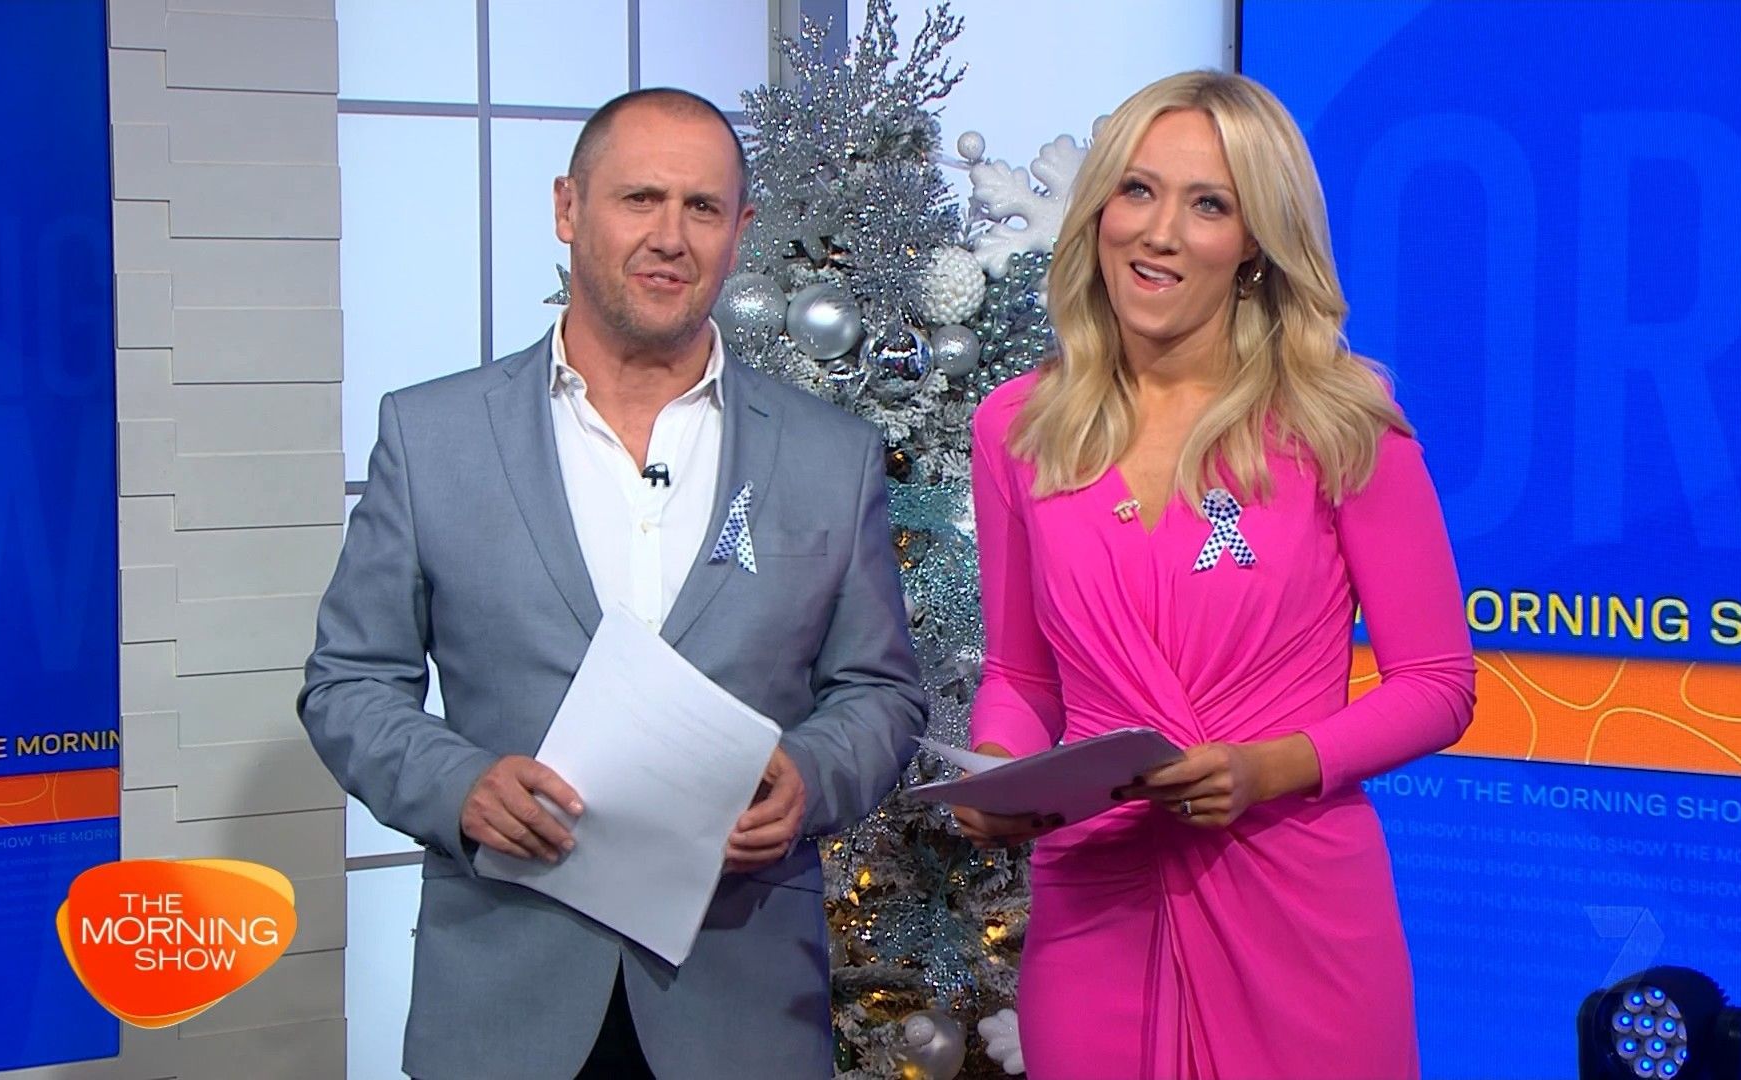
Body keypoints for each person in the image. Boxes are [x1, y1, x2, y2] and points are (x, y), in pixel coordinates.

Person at [299, 87, 926, 1080]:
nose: (669, 236)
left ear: (740, 233)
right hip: (504, 1001)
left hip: (742, 1004)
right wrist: (458, 786)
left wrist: (810, 776)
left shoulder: (830, 455)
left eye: (702, 208)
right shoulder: (432, 437)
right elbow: (348, 684)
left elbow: (881, 692)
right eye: (640, 199)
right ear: (568, 208)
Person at [950, 71, 1476, 1079]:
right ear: (1100, 208)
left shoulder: (1340, 420)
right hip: (1096, 904)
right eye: (1138, 191)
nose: (1159, 234)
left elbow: (1437, 685)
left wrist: (1266, 769)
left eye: (1208, 205)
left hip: (1299, 906)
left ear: (1255, 245)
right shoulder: (1018, 424)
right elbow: (1020, 676)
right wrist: (998, 771)